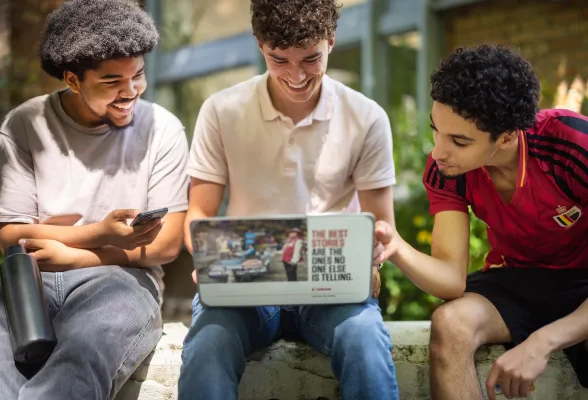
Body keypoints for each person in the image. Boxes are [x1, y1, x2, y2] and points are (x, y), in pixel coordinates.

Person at [178, 0, 399, 398]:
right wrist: (210, 257)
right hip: (245, 284)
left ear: (331, 41)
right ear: (260, 45)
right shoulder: (221, 110)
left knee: (364, 339)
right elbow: (199, 213)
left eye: (311, 58)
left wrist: (374, 250)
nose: (296, 75)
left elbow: (382, 226)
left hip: (331, 288)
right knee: (208, 344)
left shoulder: (366, 117)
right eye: (279, 59)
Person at [0, 1, 189, 399]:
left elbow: (165, 245)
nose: (130, 92)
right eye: (112, 81)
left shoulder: (162, 130)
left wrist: (79, 255)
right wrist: (100, 232)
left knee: (83, 354)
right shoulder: (25, 125)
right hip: (32, 279)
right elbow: (12, 236)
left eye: (138, 76)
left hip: (124, 281)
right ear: (73, 80)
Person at [374, 44, 588, 400]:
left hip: (583, 281)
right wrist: (396, 247)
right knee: (450, 323)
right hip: (518, 280)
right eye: (436, 131)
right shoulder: (447, 170)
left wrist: (542, 342)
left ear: (506, 137)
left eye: (458, 140)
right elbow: (450, 280)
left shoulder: (573, 145)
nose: (439, 151)